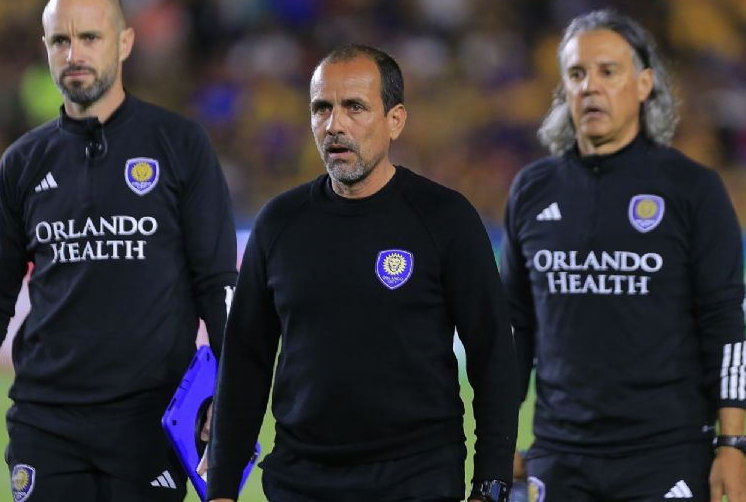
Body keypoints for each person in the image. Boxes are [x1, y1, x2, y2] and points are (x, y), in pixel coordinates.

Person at [0, 0, 237, 501]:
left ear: (125, 43)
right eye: (60, 41)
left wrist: (231, 403)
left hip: (149, 423)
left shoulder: (181, 146)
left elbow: (220, 288)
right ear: (45, 49)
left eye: (90, 37)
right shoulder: (22, 163)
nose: (75, 54)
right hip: (46, 425)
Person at [204, 44, 519, 502]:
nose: (335, 125)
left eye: (354, 107)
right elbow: (245, 364)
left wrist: (490, 484)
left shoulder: (445, 218)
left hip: (418, 482)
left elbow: (494, 357)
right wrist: (221, 490)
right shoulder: (279, 224)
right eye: (321, 109)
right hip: (301, 483)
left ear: (395, 120)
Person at [502, 9, 746, 502]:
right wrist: (499, 435)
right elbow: (513, 328)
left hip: (667, 455)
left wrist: (733, 445)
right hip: (560, 455)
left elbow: (725, 324)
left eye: (607, 72)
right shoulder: (532, 190)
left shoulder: (691, 189)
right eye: (576, 74)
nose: (590, 86)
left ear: (643, 84)